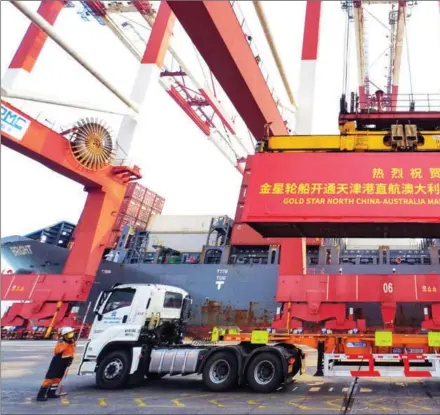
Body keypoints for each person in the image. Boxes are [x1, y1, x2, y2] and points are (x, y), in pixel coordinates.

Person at [36, 326, 76, 402]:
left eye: (72, 334)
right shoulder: (61, 342)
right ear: (65, 335)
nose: (72, 336)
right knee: (49, 378)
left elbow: (72, 352)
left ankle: (51, 393)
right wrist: (66, 343)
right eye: (70, 334)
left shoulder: (72, 342)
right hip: (58, 361)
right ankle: (40, 395)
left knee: (58, 378)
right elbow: (57, 351)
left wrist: (71, 359)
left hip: (65, 362)